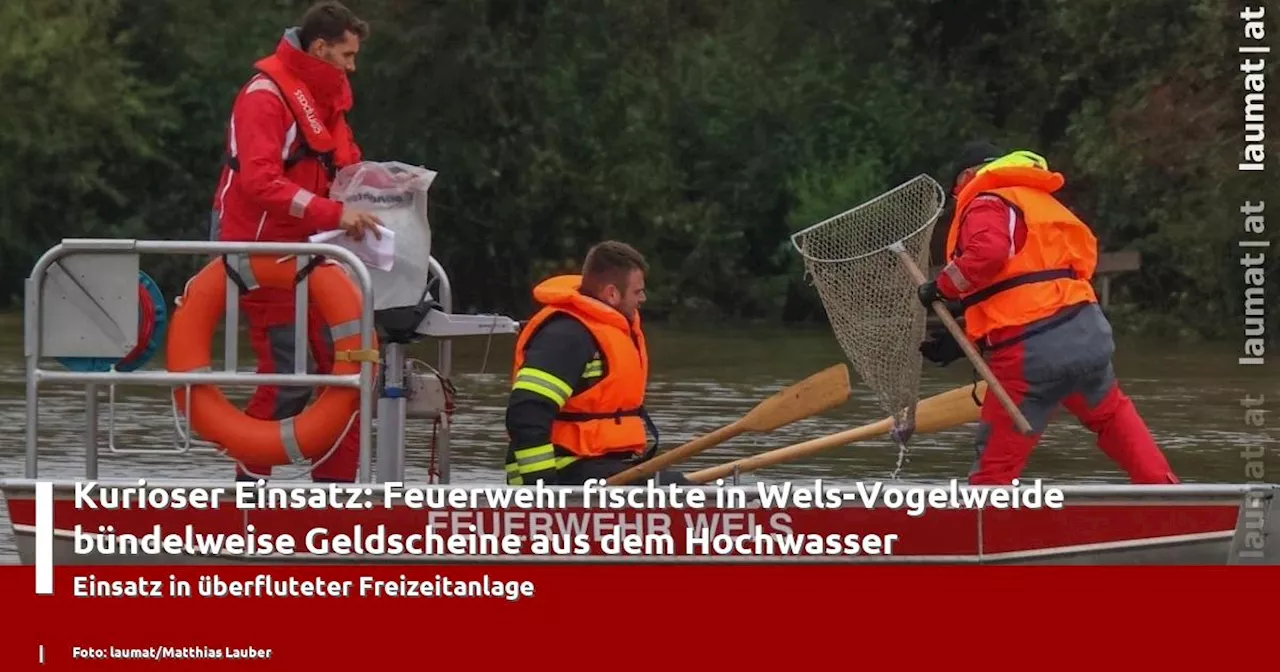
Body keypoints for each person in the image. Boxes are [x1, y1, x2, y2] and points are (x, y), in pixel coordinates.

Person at [918, 141, 1180, 486]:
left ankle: (984, 524)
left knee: (995, 461)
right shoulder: (1038, 200)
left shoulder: (986, 200)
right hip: (1085, 333)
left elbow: (989, 254)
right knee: (1112, 416)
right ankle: (1168, 495)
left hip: (1031, 354)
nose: (957, 197)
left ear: (969, 175)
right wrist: (966, 337)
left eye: (956, 188)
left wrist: (941, 288)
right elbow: (1031, 286)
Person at [210, 1, 382, 483]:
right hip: (263, 252)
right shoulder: (265, 97)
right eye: (347, 56)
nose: (353, 66)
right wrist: (335, 213)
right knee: (291, 371)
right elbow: (259, 184)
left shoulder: (327, 97)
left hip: (314, 252)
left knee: (347, 373)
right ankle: (248, 491)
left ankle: (336, 495)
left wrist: (383, 189)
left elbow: (344, 165)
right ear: (320, 48)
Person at [504, 241, 689, 487]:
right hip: (564, 469)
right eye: (637, 291)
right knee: (684, 492)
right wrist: (542, 487)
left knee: (682, 485)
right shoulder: (567, 336)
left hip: (600, 465)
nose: (643, 298)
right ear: (612, 293)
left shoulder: (604, 330)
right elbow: (527, 412)